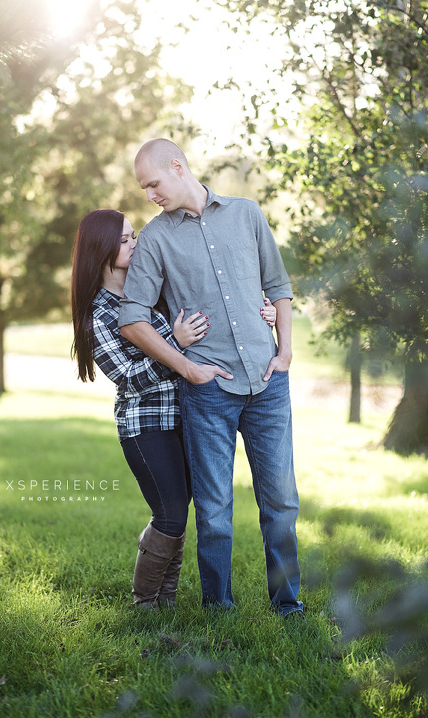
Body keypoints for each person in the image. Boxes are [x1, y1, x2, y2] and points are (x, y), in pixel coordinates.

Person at [118, 139, 303, 618]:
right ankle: (218, 607)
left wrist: (285, 350)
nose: (149, 195)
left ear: (177, 168)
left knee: (281, 504)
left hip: (267, 384)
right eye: (144, 188)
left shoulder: (246, 214)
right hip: (208, 392)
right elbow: (132, 318)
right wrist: (187, 366)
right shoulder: (156, 239)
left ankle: (288, 604)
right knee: (215, 512)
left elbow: (278, 287)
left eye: (153, 184)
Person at [71, 207, 278, 610]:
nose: (137, 242)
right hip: (145, 425)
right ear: (102, 249)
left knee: (181, 508)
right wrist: (176, 348)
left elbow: (210, 307)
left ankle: (165, 599)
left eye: (134, 236)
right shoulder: (100, 313)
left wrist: (263, 310)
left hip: (187, 413)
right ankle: (145, 600)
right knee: (168, 511)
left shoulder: (149, 290)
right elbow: (129, 378)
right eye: (127, 238)